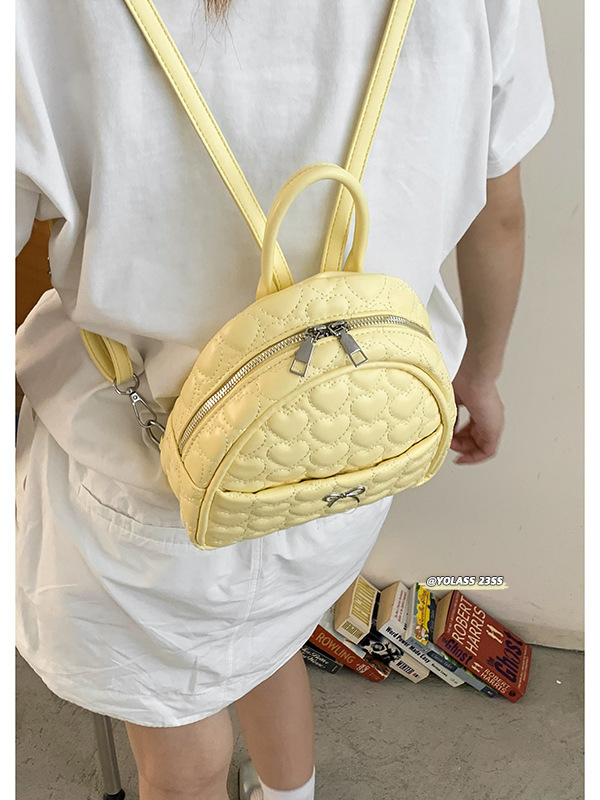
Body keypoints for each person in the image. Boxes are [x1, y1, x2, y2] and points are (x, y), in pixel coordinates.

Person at [15, 1, 554, 799]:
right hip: (348, 446)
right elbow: (499, 214)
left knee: (183, 758)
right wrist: (481, 372)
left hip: (148, 482)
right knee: (273, 635)